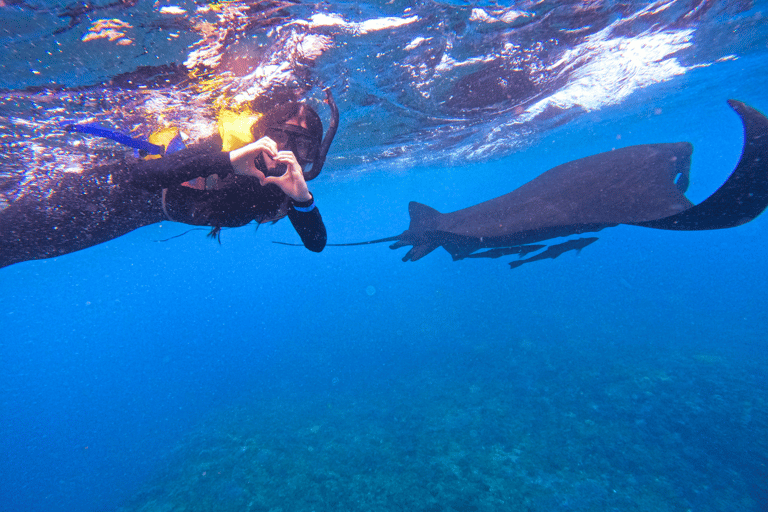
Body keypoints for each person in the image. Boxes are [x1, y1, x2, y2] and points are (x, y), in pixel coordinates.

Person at [0, 92, 339, 269]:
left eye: (304, 146)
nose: (290, 152)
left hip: (133, 216)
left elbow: (316, 243)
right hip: (110, 189)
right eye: (281, 138)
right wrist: (228, 162)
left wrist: (302, 200)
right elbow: (142, 177)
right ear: (264, 133)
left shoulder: (286, 186)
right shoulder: (225, 146)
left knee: (24, 249)